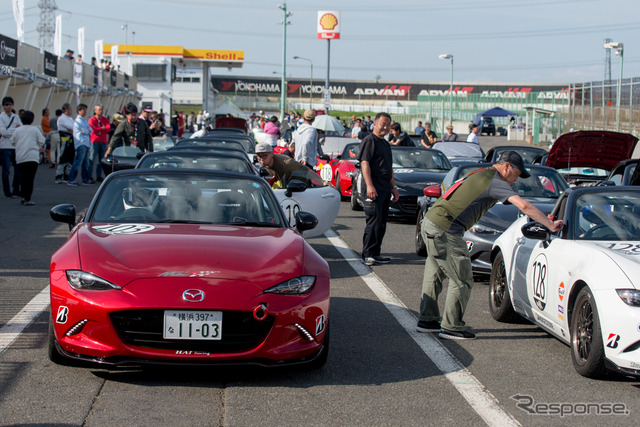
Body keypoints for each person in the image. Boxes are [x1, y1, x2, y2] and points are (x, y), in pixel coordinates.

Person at [416, 151, 564, 340]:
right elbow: (524, 206)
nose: (515, 181)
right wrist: (550, 225)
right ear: (507, 167)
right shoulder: (496, 182)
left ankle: (427, 320)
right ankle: (452, 326)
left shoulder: (481, 173)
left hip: (431, 222)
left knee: (435, 272)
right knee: (462, 279)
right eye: (516, 175)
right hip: (445, 229)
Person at [358, 112, 400, 266]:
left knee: (381, 223)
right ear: (374, 124)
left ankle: (376, 253)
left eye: (388, 124)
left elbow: (389, 168)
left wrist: (394, 187)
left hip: (384, 188)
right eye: (383, 123)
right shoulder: (369, 141)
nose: (386, 127)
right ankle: (367, 254)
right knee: (373, 221)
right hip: (373, 188)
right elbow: (365, 164)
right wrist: (369, 185)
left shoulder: (385, 144)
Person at [10, 110, 44, 205]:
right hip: (32, 157)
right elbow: (42, 140)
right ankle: (27, 198)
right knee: (30, 178)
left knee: (23, 178)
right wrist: (36, 146)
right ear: (32, 119)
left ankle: (23, 195)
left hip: (21, 157)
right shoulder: (34, 129)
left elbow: (12, 141)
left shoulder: (17, 130)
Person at [0, 97, 23, 198]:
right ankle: (7, 191)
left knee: (18, 169)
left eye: (10, 104)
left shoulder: (15, 116)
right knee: (6, 170)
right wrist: (15, 130)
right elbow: (3, 133)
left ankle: (16, 189)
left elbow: (21, 129)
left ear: (13, 105)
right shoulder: (1, 117)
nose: (8, 106)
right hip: (4, 146)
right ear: (3, 106)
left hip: (15, 146)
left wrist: (10, 130)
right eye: (6, 105)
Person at [67, 104, 93, 186]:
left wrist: (86, 131)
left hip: (86, 143)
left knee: (86, 163)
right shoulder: (77, 121)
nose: (85, 112)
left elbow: (90, 130)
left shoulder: (84, 120)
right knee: (78, 162)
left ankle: (85, 179)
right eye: (84, 110)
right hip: (81, 143)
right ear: (79, 110)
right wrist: (86, 131)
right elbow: (86, 130)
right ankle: (71, 179)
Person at [88, 104, 111, 181]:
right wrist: (102, 128)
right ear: (95, 111)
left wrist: (98, 129)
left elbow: (108, 129)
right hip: (94, 141)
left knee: (101, 160)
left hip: (103, 141)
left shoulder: (105, 119)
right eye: (99, 109)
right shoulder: (92, 119)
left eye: (102, 109)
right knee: (91, 159)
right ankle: (89, 175)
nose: (101, 111)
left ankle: (99, 175)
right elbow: (92, 129)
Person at [54, 103, 76, 183]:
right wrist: (72, 130)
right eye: (70, 109)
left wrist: (72, 130)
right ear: (66, 110)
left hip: (71, 139)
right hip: (65, 139)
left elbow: (74, 128)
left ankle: (67, 175)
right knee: (63, 157)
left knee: (70, 158)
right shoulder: (62, 118)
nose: (71, 111)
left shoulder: (70, 119)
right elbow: (71, 128)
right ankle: (59, 175)